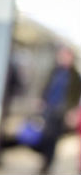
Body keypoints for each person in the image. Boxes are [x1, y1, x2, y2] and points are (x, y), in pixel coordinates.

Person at [33, 45, 80, 173]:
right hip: (49, 108)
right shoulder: (54, 71)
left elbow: (75, 96)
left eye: (65, 56)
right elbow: (46, 86)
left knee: (53, 138)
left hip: (61, 111)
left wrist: (71, 112)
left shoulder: (75, 76)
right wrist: (41, 99)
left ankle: (48, 163)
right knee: (45, 136)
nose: (62, 58)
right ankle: (44, 159)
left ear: (70, 58)